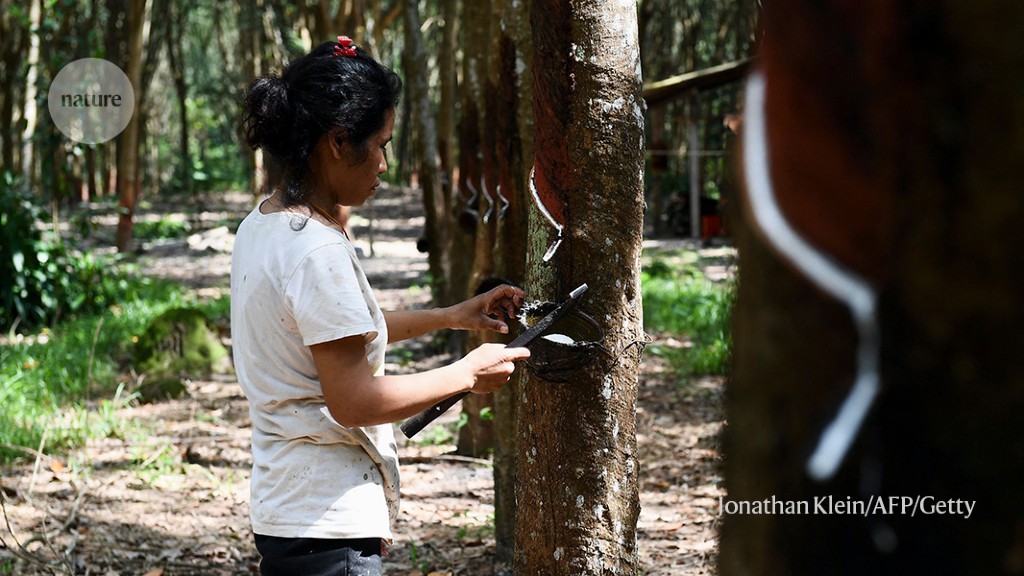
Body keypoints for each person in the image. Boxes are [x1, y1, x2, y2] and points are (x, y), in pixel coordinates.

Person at [232, 36, 530, 576]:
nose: (386, 165)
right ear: (339, 142)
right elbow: (355, 400)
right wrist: (465, 374)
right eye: (381, 144)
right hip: (328, 525)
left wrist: (454, 316)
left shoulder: (264, 225)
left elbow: (330, 334)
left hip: (287, 512)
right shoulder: (315, 249)